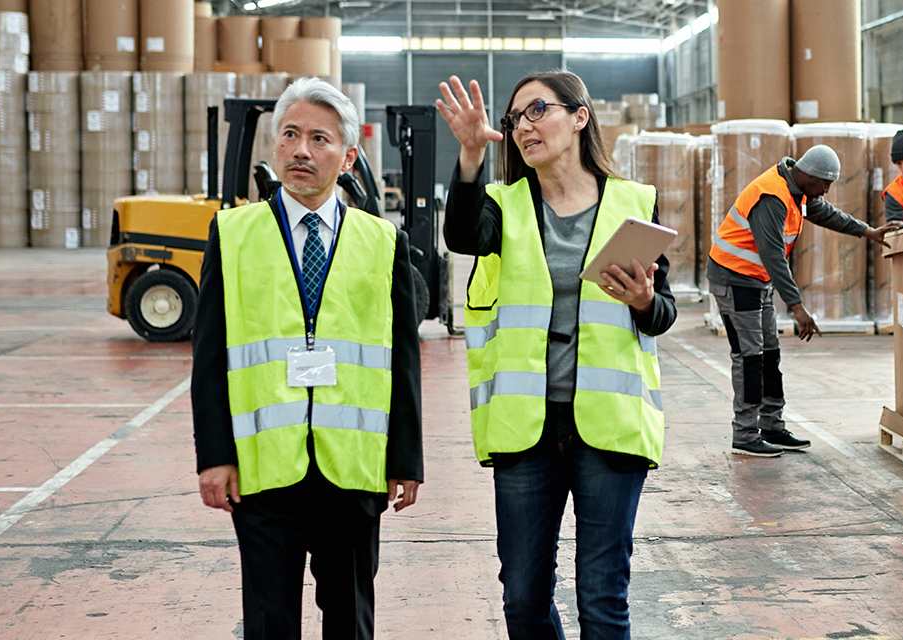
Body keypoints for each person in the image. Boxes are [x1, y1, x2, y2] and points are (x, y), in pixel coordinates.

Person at [438, 71, 676, 639]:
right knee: (523, 598)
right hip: (527, 429)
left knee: (602, 598)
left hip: (609, 428)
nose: (524, 126)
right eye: (514, 118)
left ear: (580, 116)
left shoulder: (633, 203)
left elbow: (662, 314)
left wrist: (645, 300)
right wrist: (471, 155)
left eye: (538, 110)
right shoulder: (503, 205)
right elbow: (462, 234)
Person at [191, 77, 423, 639]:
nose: (300, 150)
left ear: (347, 157)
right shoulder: (233, 233)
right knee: (270, 620)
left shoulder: (383, 241)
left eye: (319, 139)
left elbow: (403, 359)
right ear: (275, 146)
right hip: (265, 466)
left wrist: (405, 460)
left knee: (350, 616)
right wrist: (214, 455)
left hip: (353, 466)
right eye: (290, 134)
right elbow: (209, 355)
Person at [708, 146, 900, 458]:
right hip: (734, 280)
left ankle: (771, 424)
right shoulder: (771, 197)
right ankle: (744, 434)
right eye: (824, 184)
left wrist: (868, 232)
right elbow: (773, 257)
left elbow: (826, 213)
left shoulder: (798, 191)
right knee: (749, 357)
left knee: (769, 354)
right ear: (808, 175)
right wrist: (797, 307)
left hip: (757, 280)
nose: (826, 191)